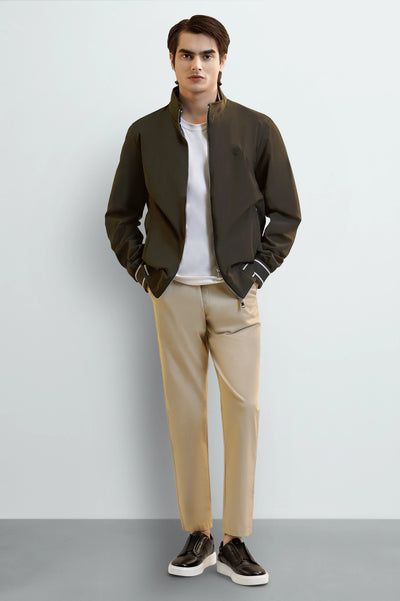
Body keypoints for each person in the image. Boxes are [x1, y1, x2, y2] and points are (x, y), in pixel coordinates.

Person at [105, 14, 301, 587]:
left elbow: (286, 211)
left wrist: (258, 269)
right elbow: (120, 215)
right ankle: (198, 533)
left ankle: (235, 539)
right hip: (174, 296)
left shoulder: (255, 128)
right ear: (172, 61)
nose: (197, 64)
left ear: (222, 61)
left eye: (207, 55)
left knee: (242, 412)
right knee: (186, 415)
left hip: (234, 295)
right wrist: (145, 272)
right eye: (187, 54)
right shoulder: (145, 133)